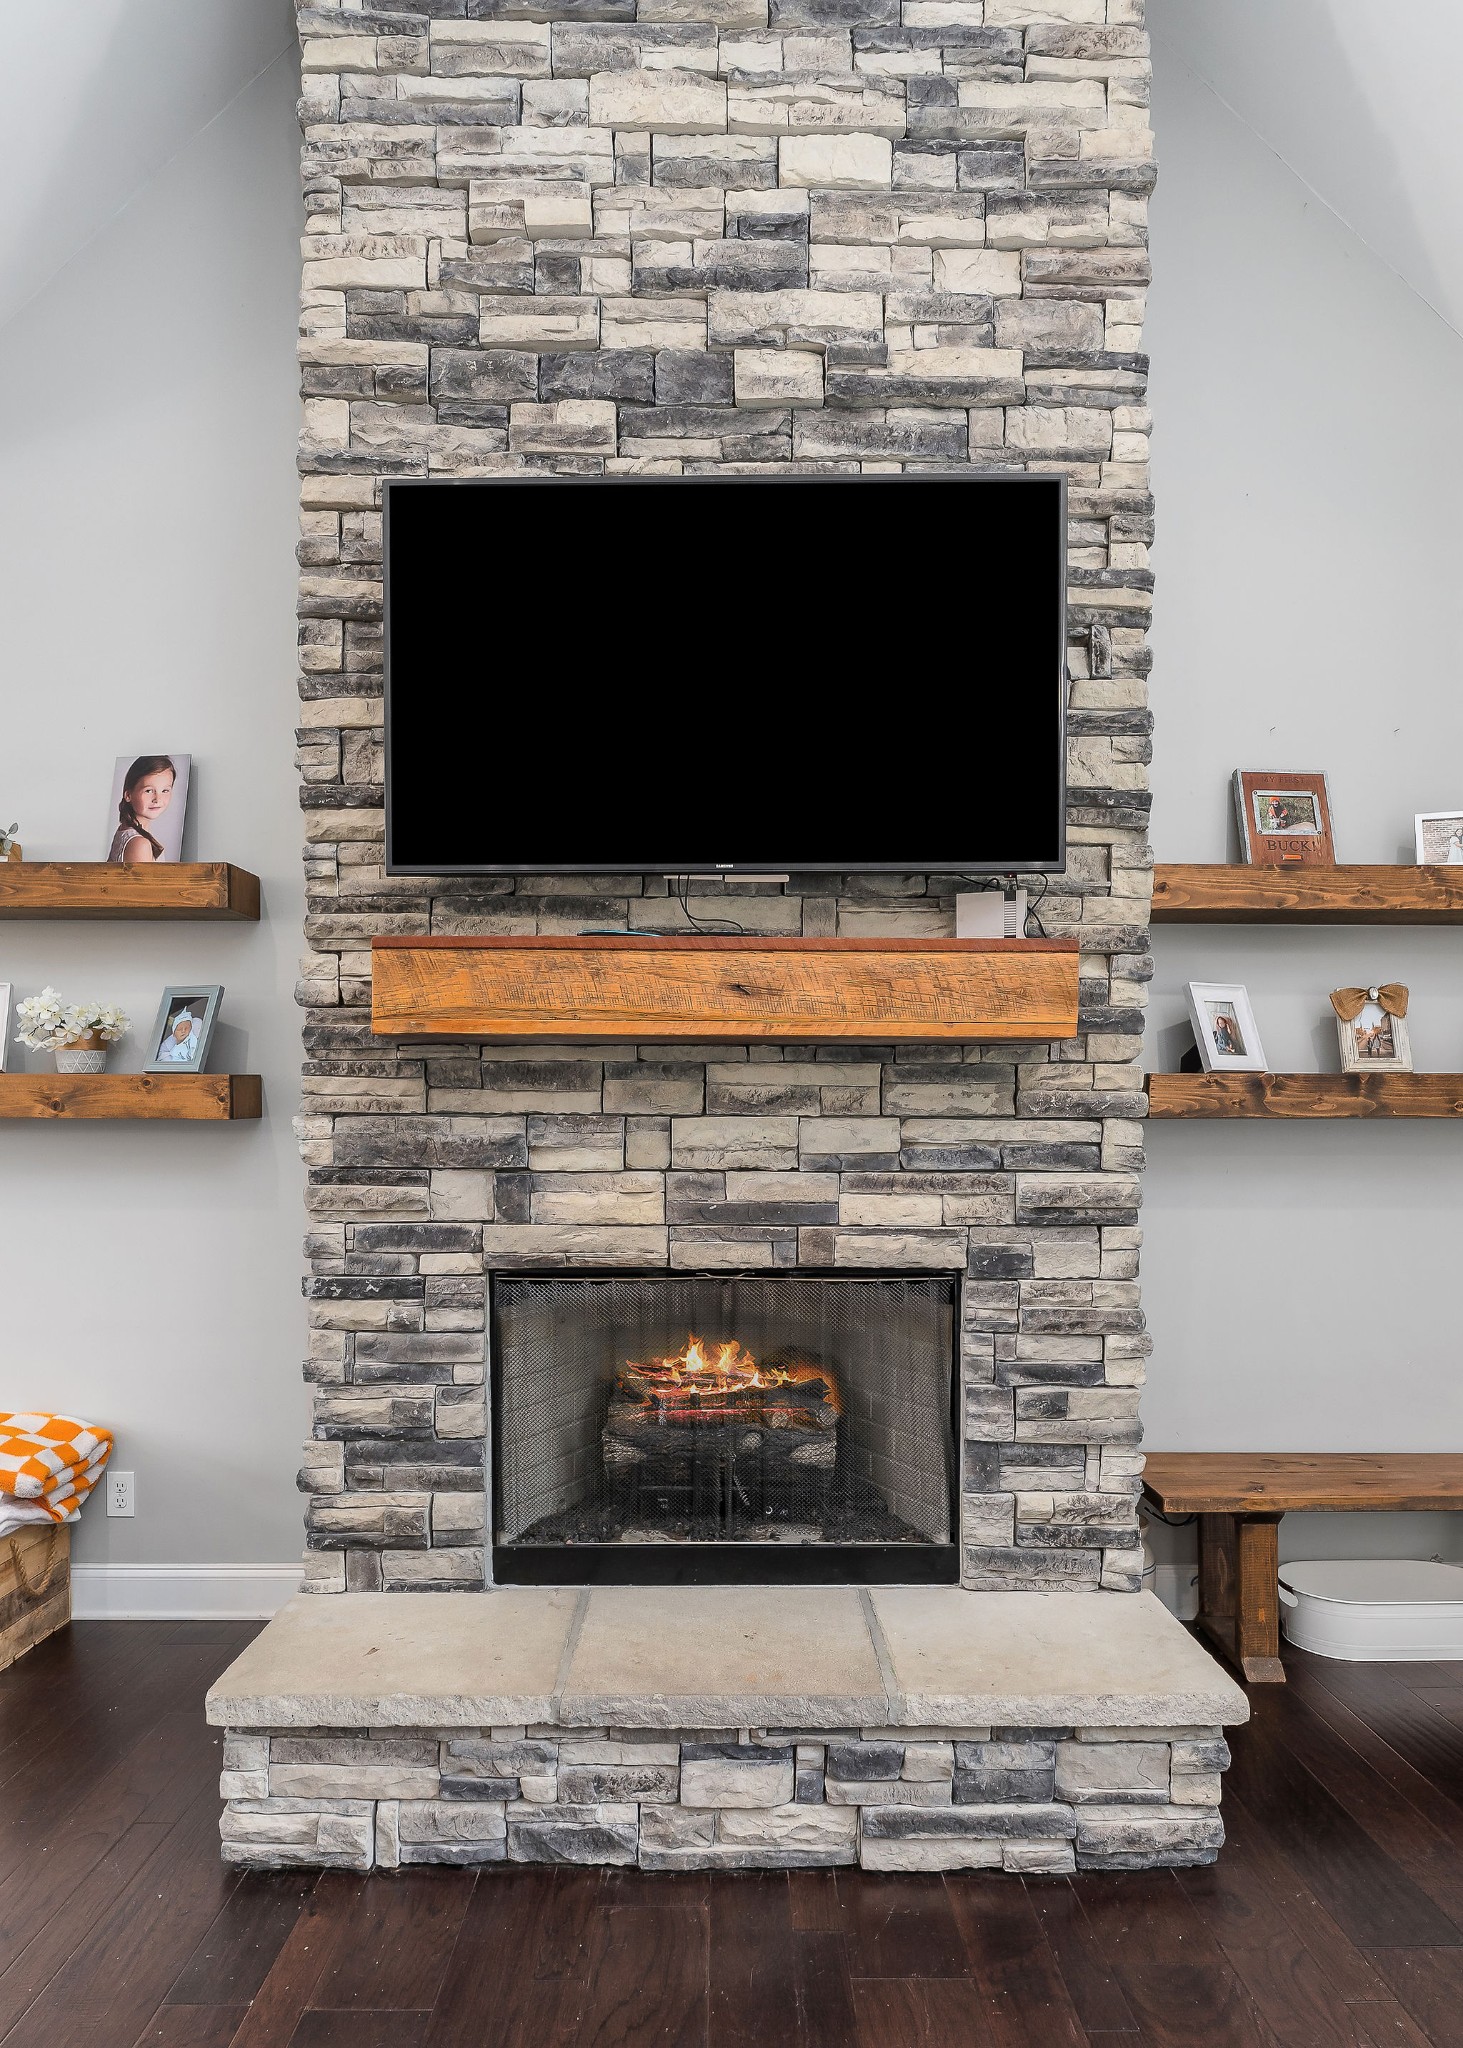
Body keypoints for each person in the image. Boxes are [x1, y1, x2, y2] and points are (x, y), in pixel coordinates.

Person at [108, 757, 177, 863]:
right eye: (148, 791)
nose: (157, 799)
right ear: (128, 795)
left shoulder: (128, 830)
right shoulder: (139, 844)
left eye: (165, 790)